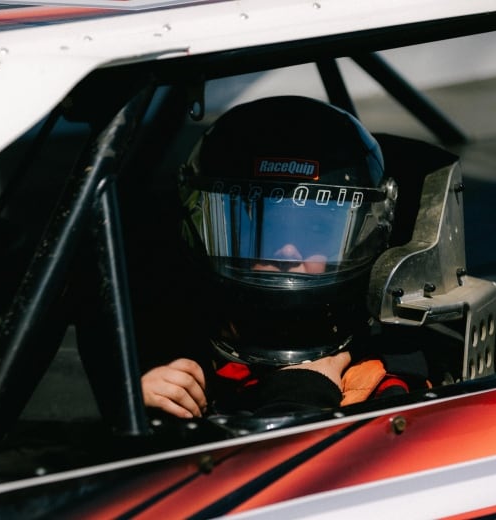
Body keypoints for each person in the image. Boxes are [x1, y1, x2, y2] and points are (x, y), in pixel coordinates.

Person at [141, 95, 411, 419]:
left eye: (314, 229)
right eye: (266, 228)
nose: (286, 251)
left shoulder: (383, 389)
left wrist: (302, 391)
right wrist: (139, 407)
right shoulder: (174, 356)